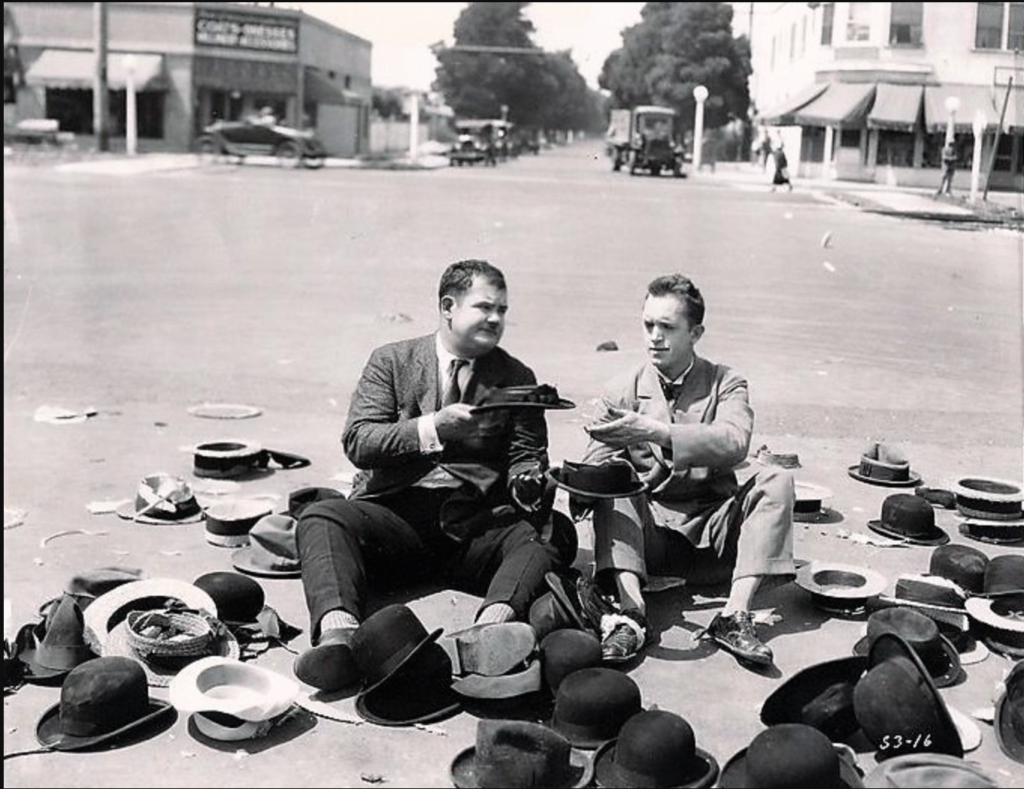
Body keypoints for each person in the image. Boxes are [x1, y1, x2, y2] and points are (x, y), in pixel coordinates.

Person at [293, 259, 571, 691]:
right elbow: (359, 442)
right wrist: (432, 428)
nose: (496, 319)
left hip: (475, 530)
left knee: (553, 532)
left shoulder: (517, 377)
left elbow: (526, 454)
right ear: (448, 307)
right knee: (321, 516)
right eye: (484, 307)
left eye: (502, 310)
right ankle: (339, 635)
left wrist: (530, 481)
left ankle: (490, 631)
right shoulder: (392, 361)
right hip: (396, 521)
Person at [570, 274, 795, 669]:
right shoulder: (622, 388)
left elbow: (734, 441)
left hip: (716, 537)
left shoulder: (727, 382)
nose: (654, 337)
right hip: (648, 540)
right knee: (613, 475)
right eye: (648, 325)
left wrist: (654, 431)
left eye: (667, 327)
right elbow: (591, 474)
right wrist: (579, 473)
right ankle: (632, 614)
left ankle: (733, 615)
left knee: (777, 478)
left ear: (696, 332)